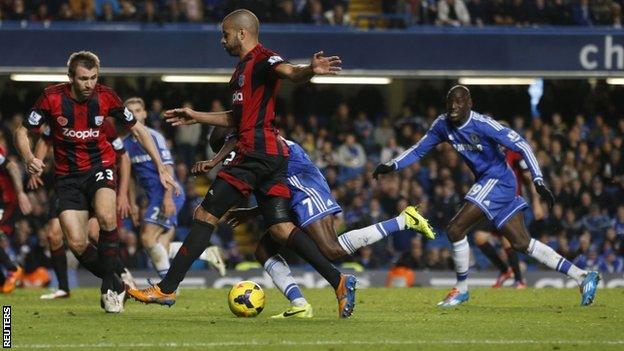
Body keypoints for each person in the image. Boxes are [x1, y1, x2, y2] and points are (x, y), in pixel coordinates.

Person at [127, 9, 357, 318]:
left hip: (255, 152)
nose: (222, 40)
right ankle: (339, 281)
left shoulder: (264, 59)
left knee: (205, 213)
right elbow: (235, 118)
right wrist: (195, 115)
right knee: (280, 228)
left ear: (242, 34)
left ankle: (167, 288)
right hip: (270, 155)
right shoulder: (240, 72)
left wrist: (309, 70)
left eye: (225, 34)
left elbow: (290, 73)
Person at [373, 85, 600, 307]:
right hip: (489, 182)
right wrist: (392, 166)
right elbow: (419, 149)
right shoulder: (442, 125)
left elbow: (522, 145)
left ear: (470, 104)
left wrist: (538, 180)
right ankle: (582, 276)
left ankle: (461, 290)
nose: (454, 106)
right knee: (522, 243)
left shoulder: (483, 125)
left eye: (460, 101)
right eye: (451, 101)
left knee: (455, 229)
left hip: (498, 180)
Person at [197, 127, 434, 318]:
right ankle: (300, 304)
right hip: (289, 189)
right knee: (263, 252)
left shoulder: (252, 145)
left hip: (302, 183)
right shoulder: (253, 143)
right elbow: (271, 190)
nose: (228, 159)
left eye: (224, 152)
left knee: (331, 249)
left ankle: (403, 220)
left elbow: (274, 178)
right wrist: (254, 211)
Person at [14, 50, 178, 313]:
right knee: (77, 242)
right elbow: (21, 131)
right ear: (70, 78)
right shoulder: (51, 98)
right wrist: (29, 157)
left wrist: (160, 165)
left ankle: (108, 292)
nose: (89, 84)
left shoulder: (106, 97)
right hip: (67, 177)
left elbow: (137, 129)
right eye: (82, 78)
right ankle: (117, 283)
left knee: (106, 218)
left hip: (100, 168)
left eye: (93, 78)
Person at [29, 121, 136, 300]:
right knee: (54, 236)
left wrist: (123, 193)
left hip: (93, 182)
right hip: (66, 184)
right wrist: (37, 166)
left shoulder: (103, 122)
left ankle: (122, 274)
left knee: (94, 234)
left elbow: (123, 157)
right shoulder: (57, 118)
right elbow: (44, 140)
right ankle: (64, 287)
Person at [123, 97, 225, 279]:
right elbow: (130, 177)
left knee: (146, 237)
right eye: (130, 112)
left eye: (138, 110)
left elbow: (168, 167)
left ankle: (165, 287)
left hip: (167, 193)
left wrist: (167, 197)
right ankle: (206, 255)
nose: (135, 115)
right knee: (161, 245)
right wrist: (133, 203)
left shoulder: (154, 137)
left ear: (145, 113)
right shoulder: (126, 144)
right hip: (153, 197)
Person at [475, 146, 544, 289]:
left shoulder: (515, 154)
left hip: (510, 203)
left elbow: (527, 178)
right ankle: (506, 271)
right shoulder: (489, 153)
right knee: (480, 237)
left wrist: (536, 203)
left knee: (507, 240)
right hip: (493, 204)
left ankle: (519, 280)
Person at [0, 143, 32, 294]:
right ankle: (2, 282)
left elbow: (12, 166)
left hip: (5, 200)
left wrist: (20, 193)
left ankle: (13, 269)